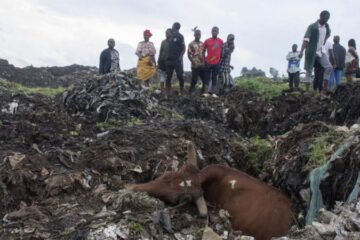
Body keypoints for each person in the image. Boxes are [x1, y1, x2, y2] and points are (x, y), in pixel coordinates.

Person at [299, 10, 332, 94]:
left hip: (321, 52)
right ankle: (307, 90)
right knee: (309, 70)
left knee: (329, 67)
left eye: (328, 18)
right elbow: (306, 39)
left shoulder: (326, 27)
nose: (326, 20)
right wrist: (301, 51)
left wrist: (324, 41)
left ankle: (325, 89)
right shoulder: (312, 27)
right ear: (321, 17)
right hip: (312, 51)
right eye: (325, 18)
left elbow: (327, 34)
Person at [166, 22, 186, 97]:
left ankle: (182, 92)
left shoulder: (180, 36)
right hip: (169, 60)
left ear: (175, 27)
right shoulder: (170, 36)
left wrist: (180, 57)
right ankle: (168, 93)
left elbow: (184, 48)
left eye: (173, 26)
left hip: (176, 60)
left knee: (180, 76)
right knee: (168, 76)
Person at [203, 26, 223, 97]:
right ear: (211, 32)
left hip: (216, 63)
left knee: (214, 77)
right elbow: (203, 50)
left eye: (216, 31)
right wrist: (203, 59)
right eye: (213, 31)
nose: (214, 32)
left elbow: (222, 51)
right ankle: (206, 92)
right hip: (208, 62)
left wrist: (220, 59)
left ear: (218, 32)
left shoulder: (220, 41)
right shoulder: (207, 41)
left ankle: (214, 93)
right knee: (207, 77)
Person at [188, 28, 206, 95]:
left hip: (202, 65)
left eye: (199, 34)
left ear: (200, 35)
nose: (198, 36)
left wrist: (204, 62)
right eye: (196, 34)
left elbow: (203, 53)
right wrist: (193, 62)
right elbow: (189, 54)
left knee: (204, 80)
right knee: (194, 79)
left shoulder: (202, 43)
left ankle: (202, 92)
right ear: (194, 35)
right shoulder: (191, 44)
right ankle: (191, 91)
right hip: (195, 65)